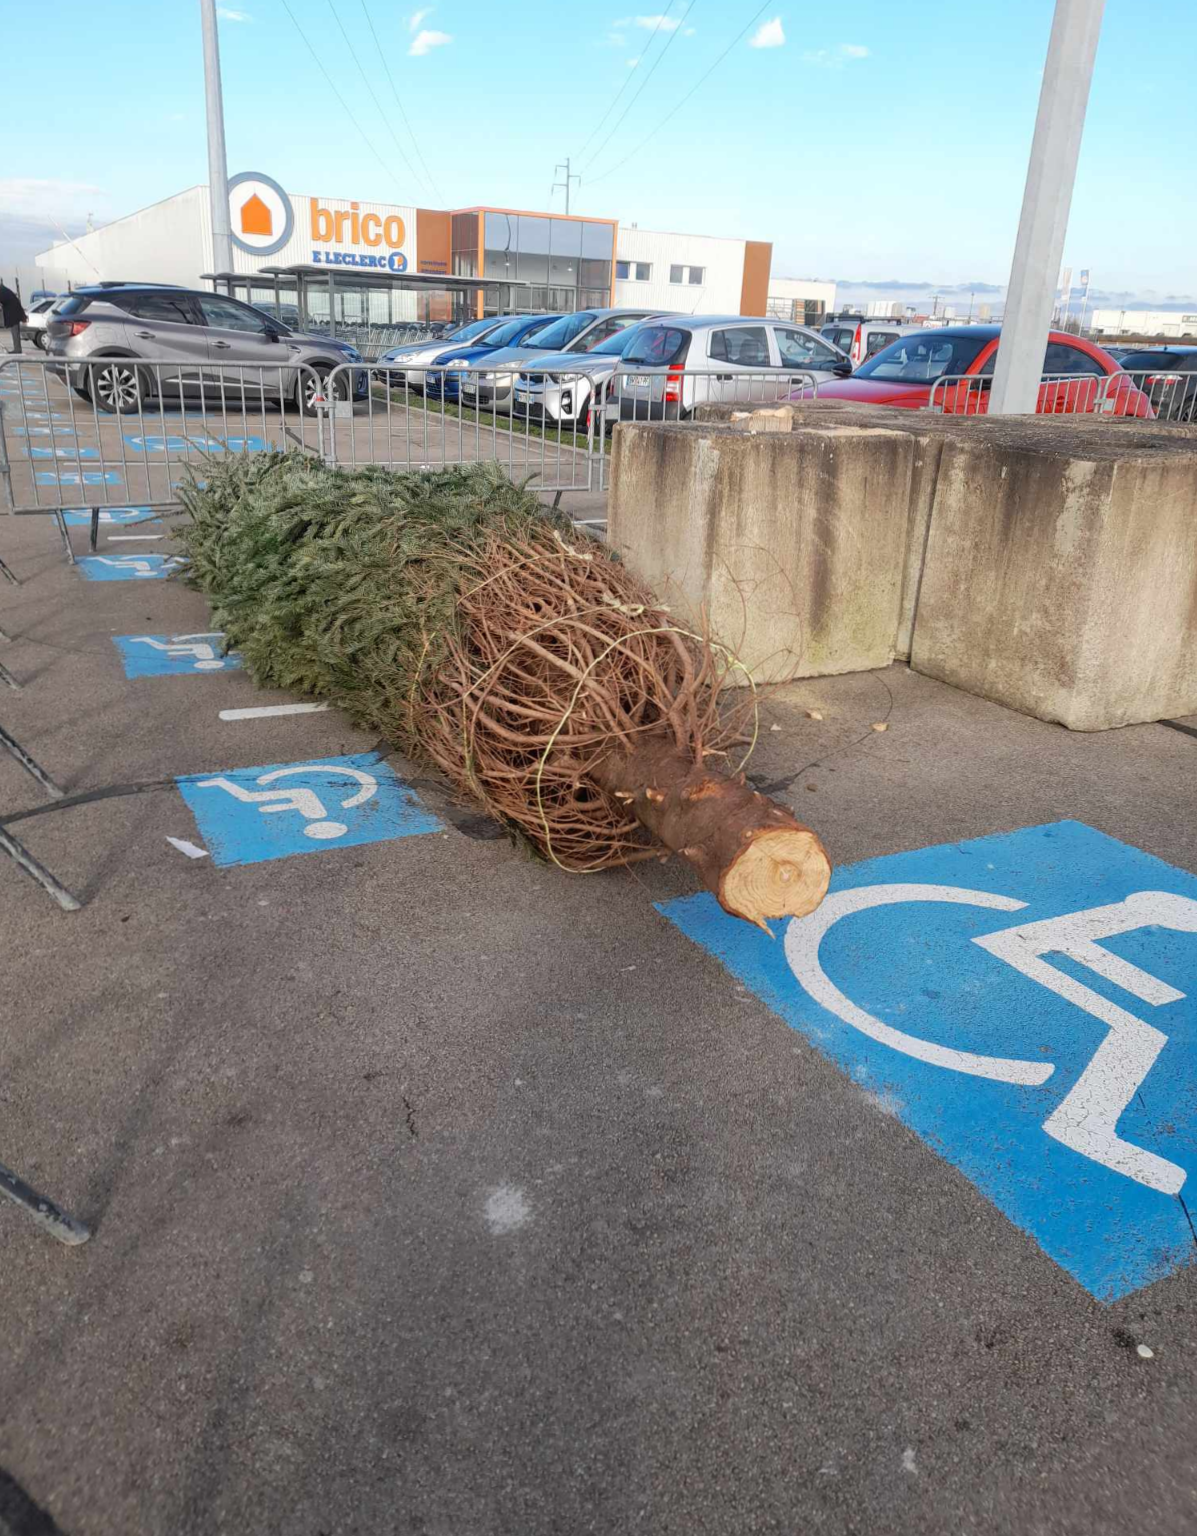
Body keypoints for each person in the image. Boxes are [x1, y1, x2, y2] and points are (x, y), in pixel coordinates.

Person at [0, 280, 26, 353]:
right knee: (15, 331)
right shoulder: (3, 289)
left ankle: (17, 349)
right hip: (14, 311)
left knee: (15, 331)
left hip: (13, 312)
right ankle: (17, 348)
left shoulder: (1, 290)